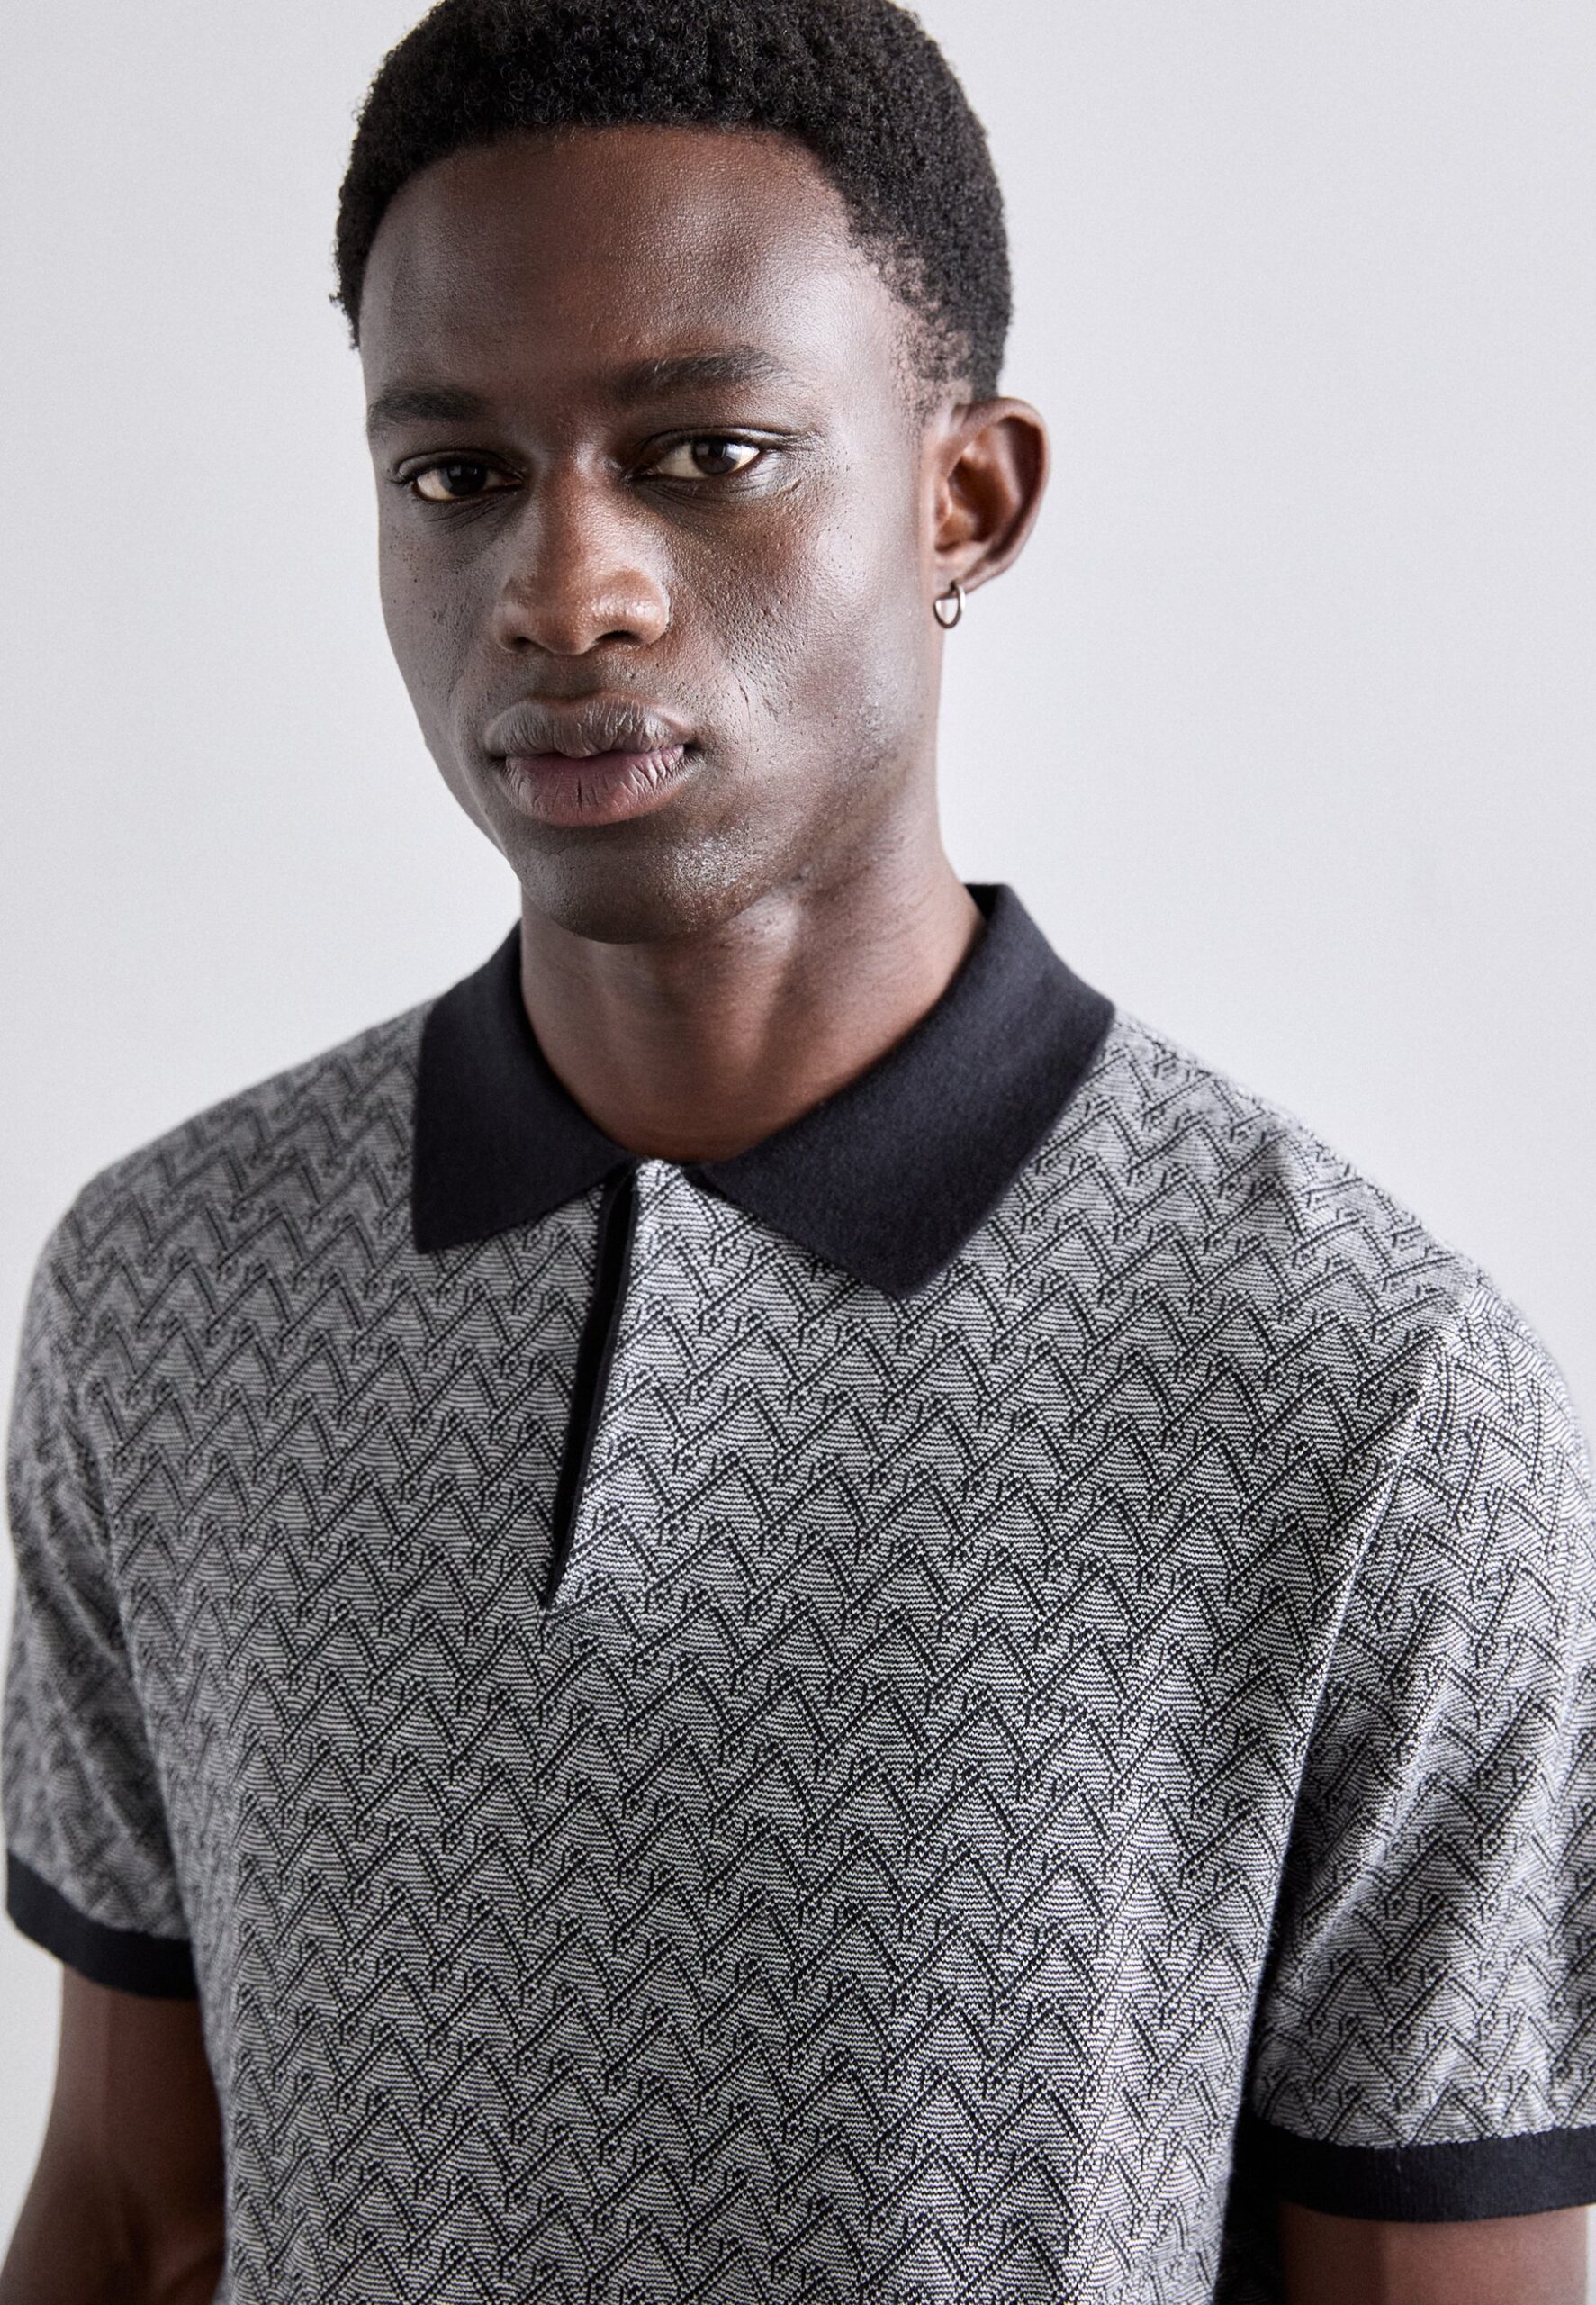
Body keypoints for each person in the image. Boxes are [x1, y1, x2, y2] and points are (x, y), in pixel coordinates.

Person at [3, 2, 1592, 2300]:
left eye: (706, 453)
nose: (564, 586)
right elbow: (141, 2214)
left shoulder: (1364, 1404)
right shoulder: (169, 1292)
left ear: (966, 499)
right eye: (454, 474)